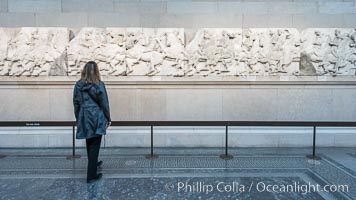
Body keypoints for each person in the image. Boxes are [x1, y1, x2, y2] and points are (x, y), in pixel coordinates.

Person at [73, 61, 111, 183]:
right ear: (96, 71)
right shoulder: (99, 85)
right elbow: (104, 103)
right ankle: (91, 175)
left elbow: (76, 103)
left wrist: (78, 117)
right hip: (96, 116)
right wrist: (108, 117)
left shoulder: (78, 85)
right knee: (95, 144)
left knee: (89, 141)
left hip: (84, 115)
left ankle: (93, 163)